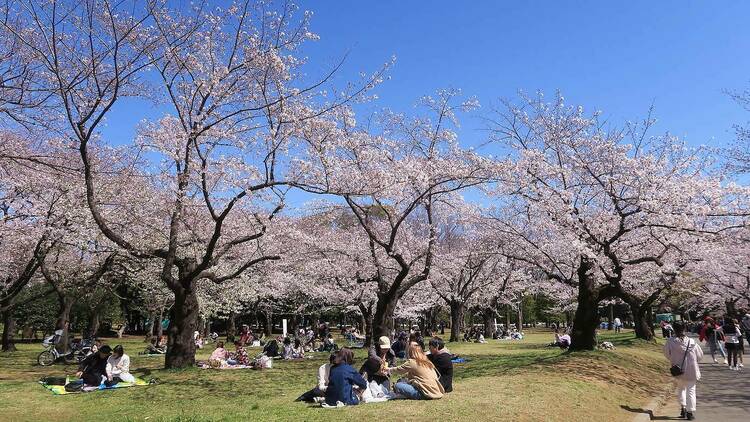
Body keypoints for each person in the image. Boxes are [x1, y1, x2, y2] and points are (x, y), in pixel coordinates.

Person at [664, 321, 703, 420]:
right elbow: (699, 356)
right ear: (684, 328)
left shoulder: (670, 342)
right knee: (691, 391)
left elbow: (667, 354)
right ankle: (690, 412)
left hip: (678, 369)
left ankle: (683, 407)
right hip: (692, 369)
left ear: (673, 328)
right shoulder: (692, 342)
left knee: (681, 389)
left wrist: (674, 360)